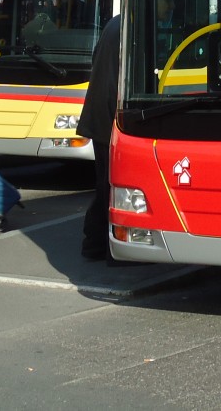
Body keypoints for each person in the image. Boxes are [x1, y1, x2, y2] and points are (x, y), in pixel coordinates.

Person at [77, 14, 121, 261]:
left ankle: (94, 242)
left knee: (104, 183)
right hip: (108, 119)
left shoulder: (115, 22)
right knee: (109, 185)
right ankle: (100, 245)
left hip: (99, 115)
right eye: (167, 2)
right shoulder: (130, 27)